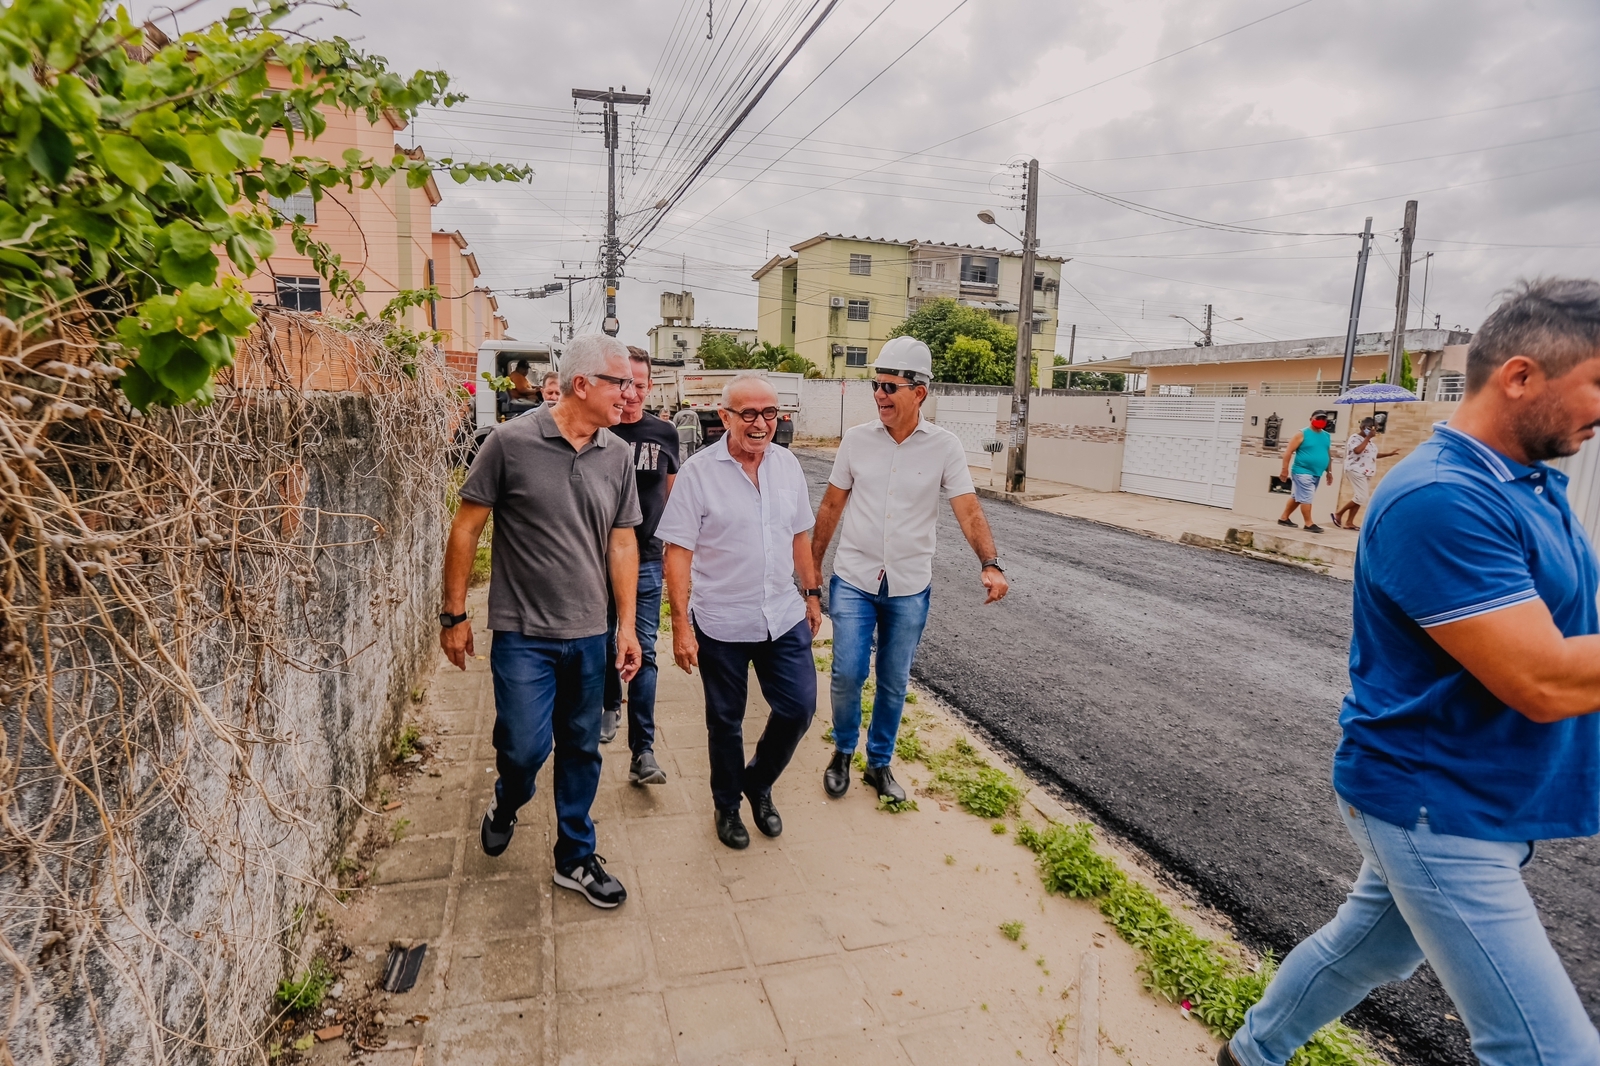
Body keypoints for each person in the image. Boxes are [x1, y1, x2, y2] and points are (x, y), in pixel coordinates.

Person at [1222, 278, 1600, 1066]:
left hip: (1482, 792)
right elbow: (1544, 680)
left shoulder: (1527, 486)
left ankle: (1251, 1054)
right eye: (1597, 383)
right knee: (1548, 1052)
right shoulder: (1442, 498)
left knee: (1369, 953)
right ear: (1520, 375)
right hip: (1434, 802)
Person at [441, 333, 644, 910]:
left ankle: (575, 856)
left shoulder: (617, 454)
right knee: (525, 748)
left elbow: (622, 542)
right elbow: (466, 528)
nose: (630, 394)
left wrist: (626, 626)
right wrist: (453, 614)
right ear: (582, 384)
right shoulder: (509, 443)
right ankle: (508, 799)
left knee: (582, 747)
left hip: (589, 633)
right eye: (620, 383)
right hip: (523, 635)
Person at [810, 336, 1009, 802]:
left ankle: (879, 764)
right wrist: (811, 574)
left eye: (889, 387)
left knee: (894, 681)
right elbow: (831, 507)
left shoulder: (945, 447)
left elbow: (968, 509)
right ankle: (843, 751)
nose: (879, 395)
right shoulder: (857, 440)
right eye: (875, 385)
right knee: (847, 673)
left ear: (919, 392)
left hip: (909, 585)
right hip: (855, 580)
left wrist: (990, 562)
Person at [657, 374, 823, 850]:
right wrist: (680, 625)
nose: (760, 423)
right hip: (722, 621)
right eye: (748, 413)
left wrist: (812, 593)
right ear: (725, 416)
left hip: (782, 614)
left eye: (769, 413)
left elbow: (799, 536)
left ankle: (758, 782)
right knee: (725, 721)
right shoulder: (698, 473)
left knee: (798, 708)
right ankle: (727, 805)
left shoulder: (787, 465)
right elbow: (678, 552)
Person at [599, 347, 681, 788]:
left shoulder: (664, 433)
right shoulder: (599, 430)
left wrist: (674, 553)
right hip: (596, 561)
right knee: (602, 639)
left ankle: (643, 751)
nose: (631, 393)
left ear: (650, 387)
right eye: (624, 383)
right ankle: (609, 702)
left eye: (640, 385)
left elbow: (673, 496)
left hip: (647, 558)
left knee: (645, 651)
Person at [1330, 416, 1398, 530]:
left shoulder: (1370, 442)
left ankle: (1349, 522)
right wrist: (1367, 438)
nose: (1373, 431)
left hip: (1367, 472)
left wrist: (1389, 454)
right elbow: (1357, 451)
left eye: (1375, 429)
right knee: (1362, 497)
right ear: (1362, 427)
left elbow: (1372, 455)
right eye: (1369, 428)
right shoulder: (1355, 438)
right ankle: (1338, 514)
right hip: (1355, 469)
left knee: (1359, 497)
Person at [1277, 414, 1334, 532]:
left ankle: (1284, 518)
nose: (1321, 421)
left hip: (1317, 473)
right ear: (1311, 419)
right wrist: (1284, 469)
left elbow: (1327, 454)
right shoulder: (1302, 434)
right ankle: (1308, 523)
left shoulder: (1326, 436)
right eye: (1318, 418)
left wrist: (1329, 471)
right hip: (1302, 471)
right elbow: (1288, 452)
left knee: (1298, 497)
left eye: (1324, 419)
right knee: (1307, 495)